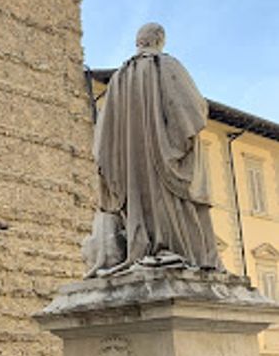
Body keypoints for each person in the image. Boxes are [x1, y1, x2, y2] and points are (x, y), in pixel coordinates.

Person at [83, 23, 223, 277]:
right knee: (174, 209)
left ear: (139, 41)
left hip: (132, 174)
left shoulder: (118, 79)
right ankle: (175, 249)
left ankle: (145, 246)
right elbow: (191, 112)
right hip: (164, 169)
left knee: (144, 203)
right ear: (159, 40)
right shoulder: (166, 66)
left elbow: (103, 138)